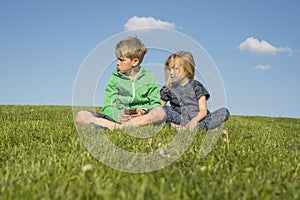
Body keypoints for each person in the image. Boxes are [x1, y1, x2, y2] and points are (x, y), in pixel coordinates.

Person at [76, 37, 166, 130]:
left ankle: (118, 127)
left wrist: (142, 111)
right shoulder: (115, 78)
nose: (117, 63)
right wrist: (119, 115)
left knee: (159, 113)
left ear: (135, 61)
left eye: (121, 60)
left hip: (141, 117)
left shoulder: (148, 77)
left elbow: (155, 103)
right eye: (117, 59)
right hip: (116, 118)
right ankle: (120, 127)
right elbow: (108, 105)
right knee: (81, 115)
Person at [160, 51, 230, 130]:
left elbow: (203, 111)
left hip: (198, 119)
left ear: (187, 70)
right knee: (164, 110)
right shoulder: (168, 88)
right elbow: (159, 106)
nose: (171, 73)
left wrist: (193, 122)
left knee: (224, 112)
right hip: (180, 119)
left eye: (175, 69)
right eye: (170, 69)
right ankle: (201, 128)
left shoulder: (197, 87)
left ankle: (190, 127)